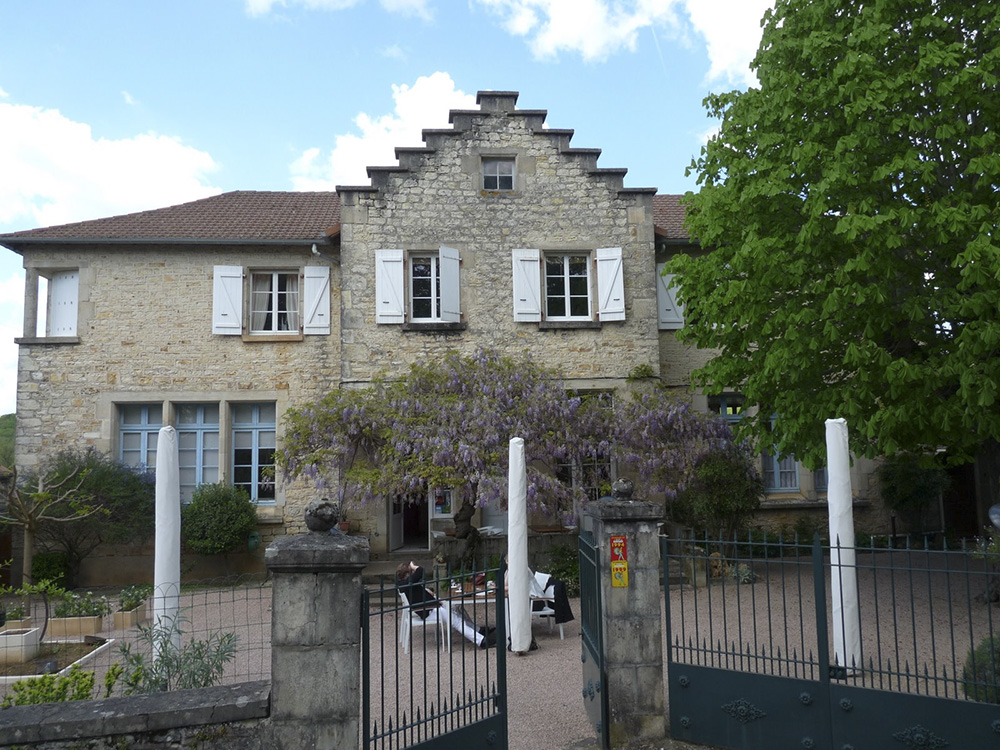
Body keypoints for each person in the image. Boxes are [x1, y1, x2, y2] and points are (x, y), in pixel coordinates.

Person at [396, 561, 496, 649]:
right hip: (429, 610)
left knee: (458, 613)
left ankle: (479, 631)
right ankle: (481, 641)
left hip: (431, 607)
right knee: (457, 622)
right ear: (407, 574)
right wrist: (413, 566)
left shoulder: (403, 584)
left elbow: (417, 593)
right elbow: (421, 571)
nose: (413, 573)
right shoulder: (407, 584)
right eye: (411, 572)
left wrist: (429, 594)